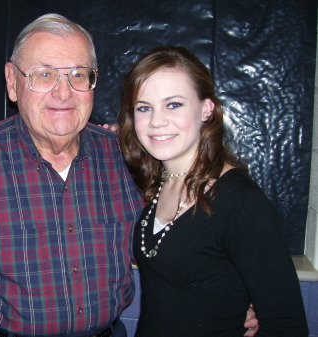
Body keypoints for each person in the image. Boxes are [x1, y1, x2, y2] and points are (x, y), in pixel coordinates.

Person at [0, 13, 260, 337]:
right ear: (12, 82)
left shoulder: (125, 157)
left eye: (78, 75)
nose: (64, 92)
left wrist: (236, 295)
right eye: (45, 74)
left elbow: (180, 240)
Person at [118, 45, 309, 336]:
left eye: (173, 104)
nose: (156, 121)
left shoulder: (240, 203)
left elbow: (287, 326)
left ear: (206, 108)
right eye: (144, 108)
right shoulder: (157, 183)